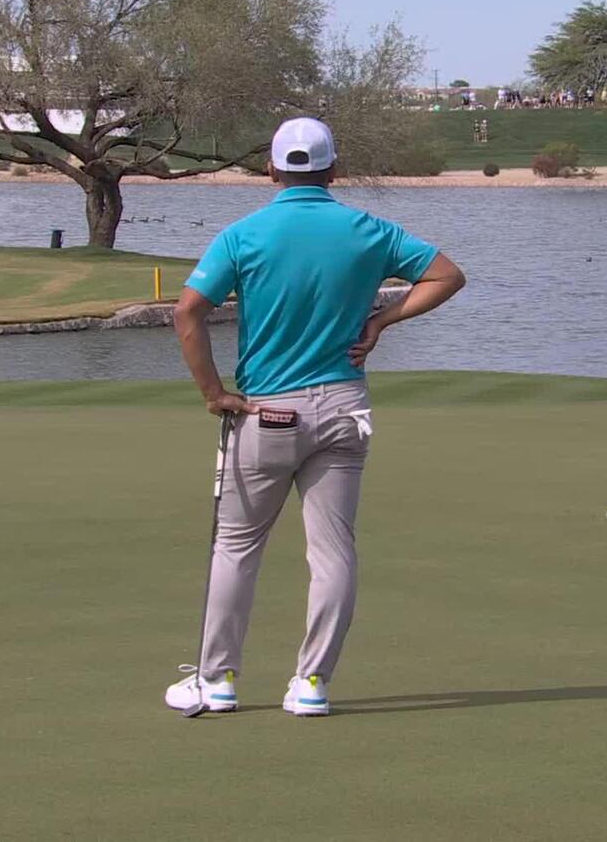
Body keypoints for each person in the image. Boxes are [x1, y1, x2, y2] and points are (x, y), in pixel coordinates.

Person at [166, 117, 466, 716]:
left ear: (273, 170)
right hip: (343, 409)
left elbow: (188, 313)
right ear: (333, 170)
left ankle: (217, 681)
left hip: (267, 409)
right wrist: (382, 321)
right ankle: (312, 686)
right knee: (332, 552)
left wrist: (212, 393)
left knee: (237, 547)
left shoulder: (243, 235)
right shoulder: (368, 230)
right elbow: (446, 275)